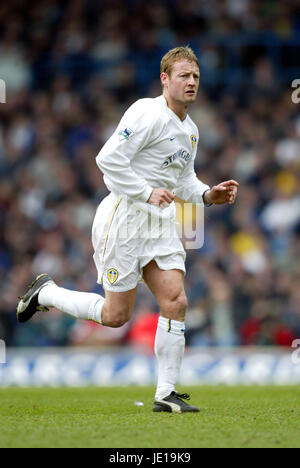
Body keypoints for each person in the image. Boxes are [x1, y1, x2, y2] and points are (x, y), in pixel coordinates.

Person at [17, 46, 238, 413]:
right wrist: (146, 192)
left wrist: (207, 195)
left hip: (161, 222)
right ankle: (47, 293)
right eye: (184, 75)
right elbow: (107, 159)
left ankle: (165, 394)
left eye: (196, 76)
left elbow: (182, 180)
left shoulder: (191, 130)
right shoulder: (146, 112)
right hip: (125, 219)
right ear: (164, 79)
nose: (192, 82)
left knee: (176, 301)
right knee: (116, 317)